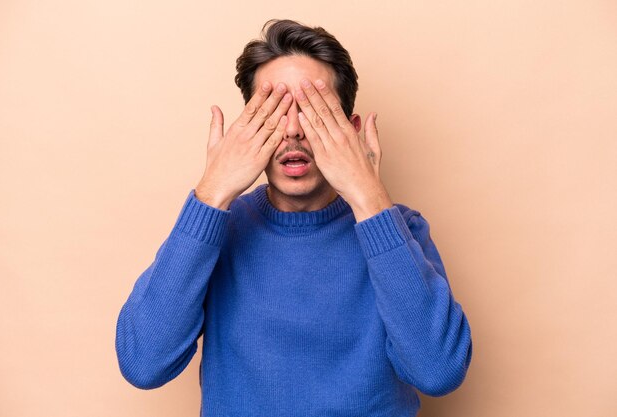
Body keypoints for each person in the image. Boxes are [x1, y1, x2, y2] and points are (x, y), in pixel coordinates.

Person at [115, 19, 473, 417]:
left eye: (312, 111)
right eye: (272, 111)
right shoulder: (218, 228)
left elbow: (438, 371)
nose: (291, 131)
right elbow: (143, 363)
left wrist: (369, 198)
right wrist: (212, 193)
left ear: (350, 131)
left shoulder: (400, 230)